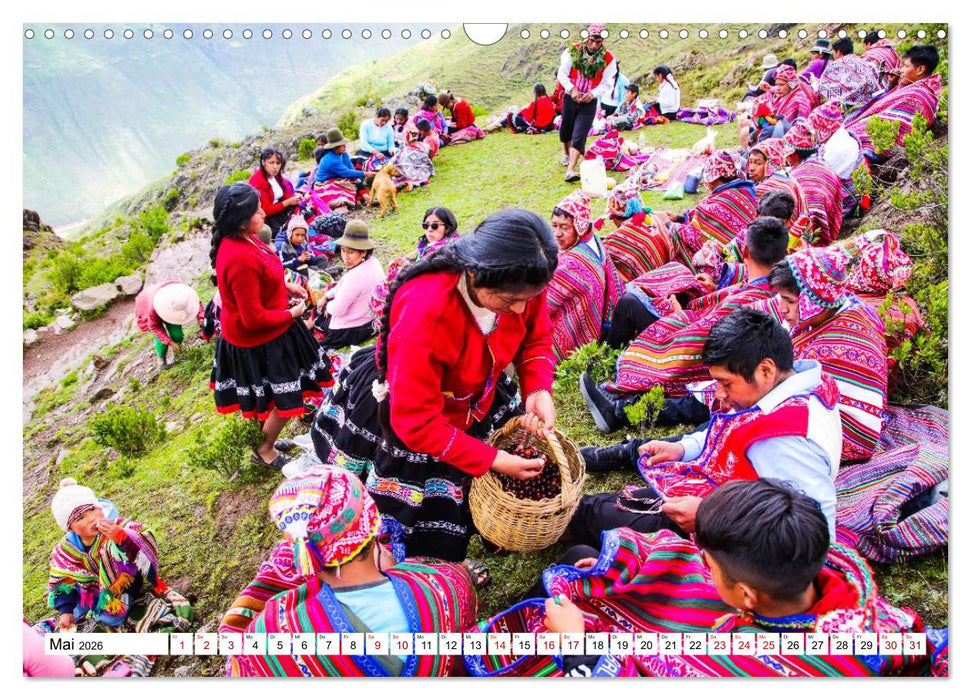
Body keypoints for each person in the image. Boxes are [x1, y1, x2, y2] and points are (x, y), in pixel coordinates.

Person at [313, 209, 559, 576]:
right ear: (477, 275)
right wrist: (491, 459)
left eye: (529, 298)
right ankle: (421, 571)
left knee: (460, 487)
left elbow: (535, 335)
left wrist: (537, 385)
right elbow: (416, 421)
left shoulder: (522, 275)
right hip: (411, 409)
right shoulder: (427, 312)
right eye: (510, 301)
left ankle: (460, 549)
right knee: (414, 505)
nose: (521, 309)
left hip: (474, 394)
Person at [521, 479, 940, 677]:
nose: (702, 564)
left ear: (745, 595)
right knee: (587, 563)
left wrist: (576, 648)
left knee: (559, 615)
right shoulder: (840, 579)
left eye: (710, 564)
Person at [571, 308, 843, 551]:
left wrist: (706, 516)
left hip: (728, 535)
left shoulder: (787, 441)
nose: (719, 394)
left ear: (765, 370)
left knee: (588, 513)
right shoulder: (792, 388)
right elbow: (731, 432)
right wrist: (682, 448)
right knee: (613, 504)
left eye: (726, 383)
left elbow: (814, 531)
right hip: (721, 497)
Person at [228, 467, 477, 677]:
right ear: (373, 523)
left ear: (302, 553)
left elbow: (239, 665)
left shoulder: (272, 633)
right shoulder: (446, 584)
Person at [582, 217, 789, 435]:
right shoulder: (777, 291)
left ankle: (621, 392)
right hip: (714, 346)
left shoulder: (752, 300)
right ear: (784, 255)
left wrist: (677, 316)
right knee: (661, 285)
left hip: (703, 361)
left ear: (745, 251)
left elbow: (701, 336)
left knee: (630, 304)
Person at [208, 183, 333, 469]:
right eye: (256, 210)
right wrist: (293, 314)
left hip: (270, 330)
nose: (264, 213)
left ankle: (267, 439)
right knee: (286, 396)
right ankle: (264, 450)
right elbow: (252, 318)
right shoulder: (238, 258)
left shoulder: (246, 239)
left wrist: (287, 287)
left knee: (272, 396)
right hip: (260, 338)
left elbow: (261, 279)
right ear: (240, 220)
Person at [41, 478, 192, 676]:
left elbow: (145, 538)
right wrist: (65, 610)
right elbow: (63, 581)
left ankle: (116, 606)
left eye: (93, 510)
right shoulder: (66, 549)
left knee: (111, 618)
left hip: (122, 583)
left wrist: (121, 536)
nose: (91, 519)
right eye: (80, 518)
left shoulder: (116, 526)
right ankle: (84, 615)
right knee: (74, 617)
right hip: (88, 590)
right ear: (70, 528)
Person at [770, 246, 887, 462]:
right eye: (782, 299)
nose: (783, 309)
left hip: (841, 437)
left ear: (814, 298)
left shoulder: (841, 342)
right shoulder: (838, 307)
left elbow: (854, 431)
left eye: (790, 301)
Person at [603, 151, 758, 282]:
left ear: (715, 176)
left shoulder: (723, 201)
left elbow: (699, 236)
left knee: (670, 237)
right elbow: (699, 219)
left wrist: (671, 226)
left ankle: (688, 276)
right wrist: (679, 218)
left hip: (724, 260)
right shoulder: (744, 191)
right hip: (743, 255)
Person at [546, 190, 623, 361]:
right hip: (597, 331)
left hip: (574, 343)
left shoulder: (570, 264)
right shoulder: (593, 241)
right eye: (554, 225)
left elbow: (543, 304)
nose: (557, 233)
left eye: (564, 228)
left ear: (579, 228)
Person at [843, 45, 943, 161]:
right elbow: (884, 102)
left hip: (874, 146)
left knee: (846, 138)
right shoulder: (913, 87)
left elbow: (890, 121)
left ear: (920, 69)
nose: (901, 70)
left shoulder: (918, 95)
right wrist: (892, 84)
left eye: (906, 66)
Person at [370, 207, 461, 321]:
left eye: (434, 226)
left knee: (389, 286)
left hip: (433, 295)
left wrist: (400, 268)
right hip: (425, 288)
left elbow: (424, 273)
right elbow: (415, 257)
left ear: (447, 228)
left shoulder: (443, 250)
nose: (429, 229)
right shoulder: (428, 245)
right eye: (425, 225)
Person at [557, 23, 618, 182]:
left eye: (598, 42)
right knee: (566, 130)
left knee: (580, 133)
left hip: (589, 101)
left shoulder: (608, 59)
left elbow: (606, 83)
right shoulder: (572, 51)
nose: (594, 45)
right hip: (570, 98)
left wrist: (592, 93)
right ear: (586, 38)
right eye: (592, 40)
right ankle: (566, 152)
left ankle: (570, 169)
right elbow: (562, 75)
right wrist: (572, 89)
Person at [315, 220, 384, 351]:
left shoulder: (354, 277)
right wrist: (326, 296)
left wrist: (327, 306)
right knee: (329, 293)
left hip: (350, 330)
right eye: (343, 250)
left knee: (319, 310)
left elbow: (338, 310)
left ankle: (309, 326)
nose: (345, 257)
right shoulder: (373, 262)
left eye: (351, 252)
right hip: (369, 321)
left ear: (363, 252)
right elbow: (342, 286)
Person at [784, 119, 845, 245]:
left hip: (803, 235)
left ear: (794, 154)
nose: (786, 158)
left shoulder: (796, 178)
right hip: (824, 225)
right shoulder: (824, 166)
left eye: (787, 155)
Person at [745, 138, 810, 238]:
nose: (751, 168)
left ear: (770, 165)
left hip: (779, 239)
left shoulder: (766, 188)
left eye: (758, 163)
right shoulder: (789, 178)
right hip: (798, 237)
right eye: (751, 162)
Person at [134, 280, 204, 371]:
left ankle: (178, 352)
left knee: (177, 335)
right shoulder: (153, 308)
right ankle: (161, 359)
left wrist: (201, 319)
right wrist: (170, 343)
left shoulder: (183, 293)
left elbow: (197, 304)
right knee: (161, 341)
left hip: (170, 304)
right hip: (147, 303)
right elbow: (155, 327)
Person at [314, 127, 371, 209]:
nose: (345, 147)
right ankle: (360, 199)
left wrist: (357, 175)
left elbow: (350, 168)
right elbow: (346, 172)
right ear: (335, 147)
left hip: (339, 179)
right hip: (325, 183)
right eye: (342, 145)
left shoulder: (344, 154)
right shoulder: (330, 159)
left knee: (354, 179)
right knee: (344, 187)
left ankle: (364, 197)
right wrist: (365, 173)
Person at [249, 147, 302, 235]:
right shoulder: (258, 181)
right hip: (267, 218)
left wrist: (294, 198)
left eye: (278, 163)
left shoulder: (276, 176)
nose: (275, 167)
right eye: (271, 163)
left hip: (279, 212)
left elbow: (285, 194)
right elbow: (265, 211)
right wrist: (288, 202)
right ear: (263, 162)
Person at [817, 37, 882, 107]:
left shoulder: (836, 65)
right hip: (868, 101)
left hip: (848, 104)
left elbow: (823, 85)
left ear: (838, 52)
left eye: (834, 52)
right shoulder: (861, 61)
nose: (834, 55)